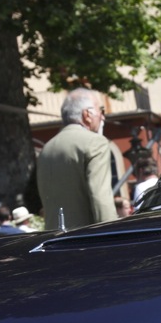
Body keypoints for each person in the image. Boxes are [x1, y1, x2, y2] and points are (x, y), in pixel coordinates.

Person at [36, 88, 122, 230]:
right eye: (101, 110)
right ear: (87, 114)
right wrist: (113, 235)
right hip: (86, 239)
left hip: (54, 239)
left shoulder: (47, 148)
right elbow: (101, 198)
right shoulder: (95, 142)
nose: (103, 117)